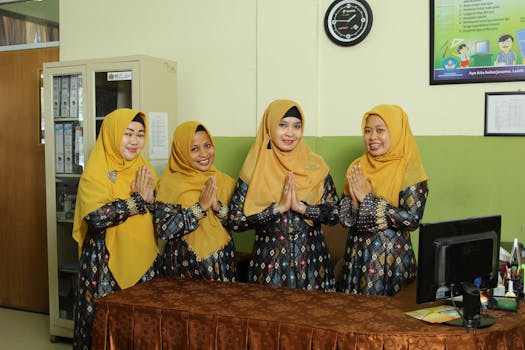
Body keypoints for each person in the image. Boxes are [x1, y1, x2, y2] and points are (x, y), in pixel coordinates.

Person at [229, 99, 339, 291]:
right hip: (270, 267)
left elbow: (334, 213)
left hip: (313, 265)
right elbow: (236, 220)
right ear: (270, 126)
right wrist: (276, 210)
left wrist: (303, 209)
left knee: (313, 318)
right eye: (282, 125)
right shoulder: (253, 169)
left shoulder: (316, 165)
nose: (290, 133)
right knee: (271, 319)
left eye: (297, 126)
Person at [72, 108, 159, 349]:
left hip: (143, 260)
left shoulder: (145, 169)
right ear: (111, 134)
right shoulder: (96, 171)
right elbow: (96, 217)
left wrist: (150, 202)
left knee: (140, 328)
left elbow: (157, 212)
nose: (134, 141)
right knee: (104, 327)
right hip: (104, 264)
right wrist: (137, 201)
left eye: (140, 134)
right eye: (127, 133)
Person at [339, 104, 428, 296]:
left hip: (392, 258)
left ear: (396, 132)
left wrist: (368, 199)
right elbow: (344, 217)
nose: (372, 137)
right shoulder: (357, 166)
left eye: (380, 130)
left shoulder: (409, 169)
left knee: (390, 318)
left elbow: (412, 220)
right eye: (367, 131)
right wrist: (355, 203)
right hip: (357, 255)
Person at [154, 121, 237, 281]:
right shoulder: (170, 184)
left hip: (223, 262)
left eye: (207, 145)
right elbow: (163, 229)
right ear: (181, 152)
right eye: (194, 149)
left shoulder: (224, 181)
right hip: (182, 266)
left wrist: (217, 207)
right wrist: (200, 208)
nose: (204, 153)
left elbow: (238, 221)